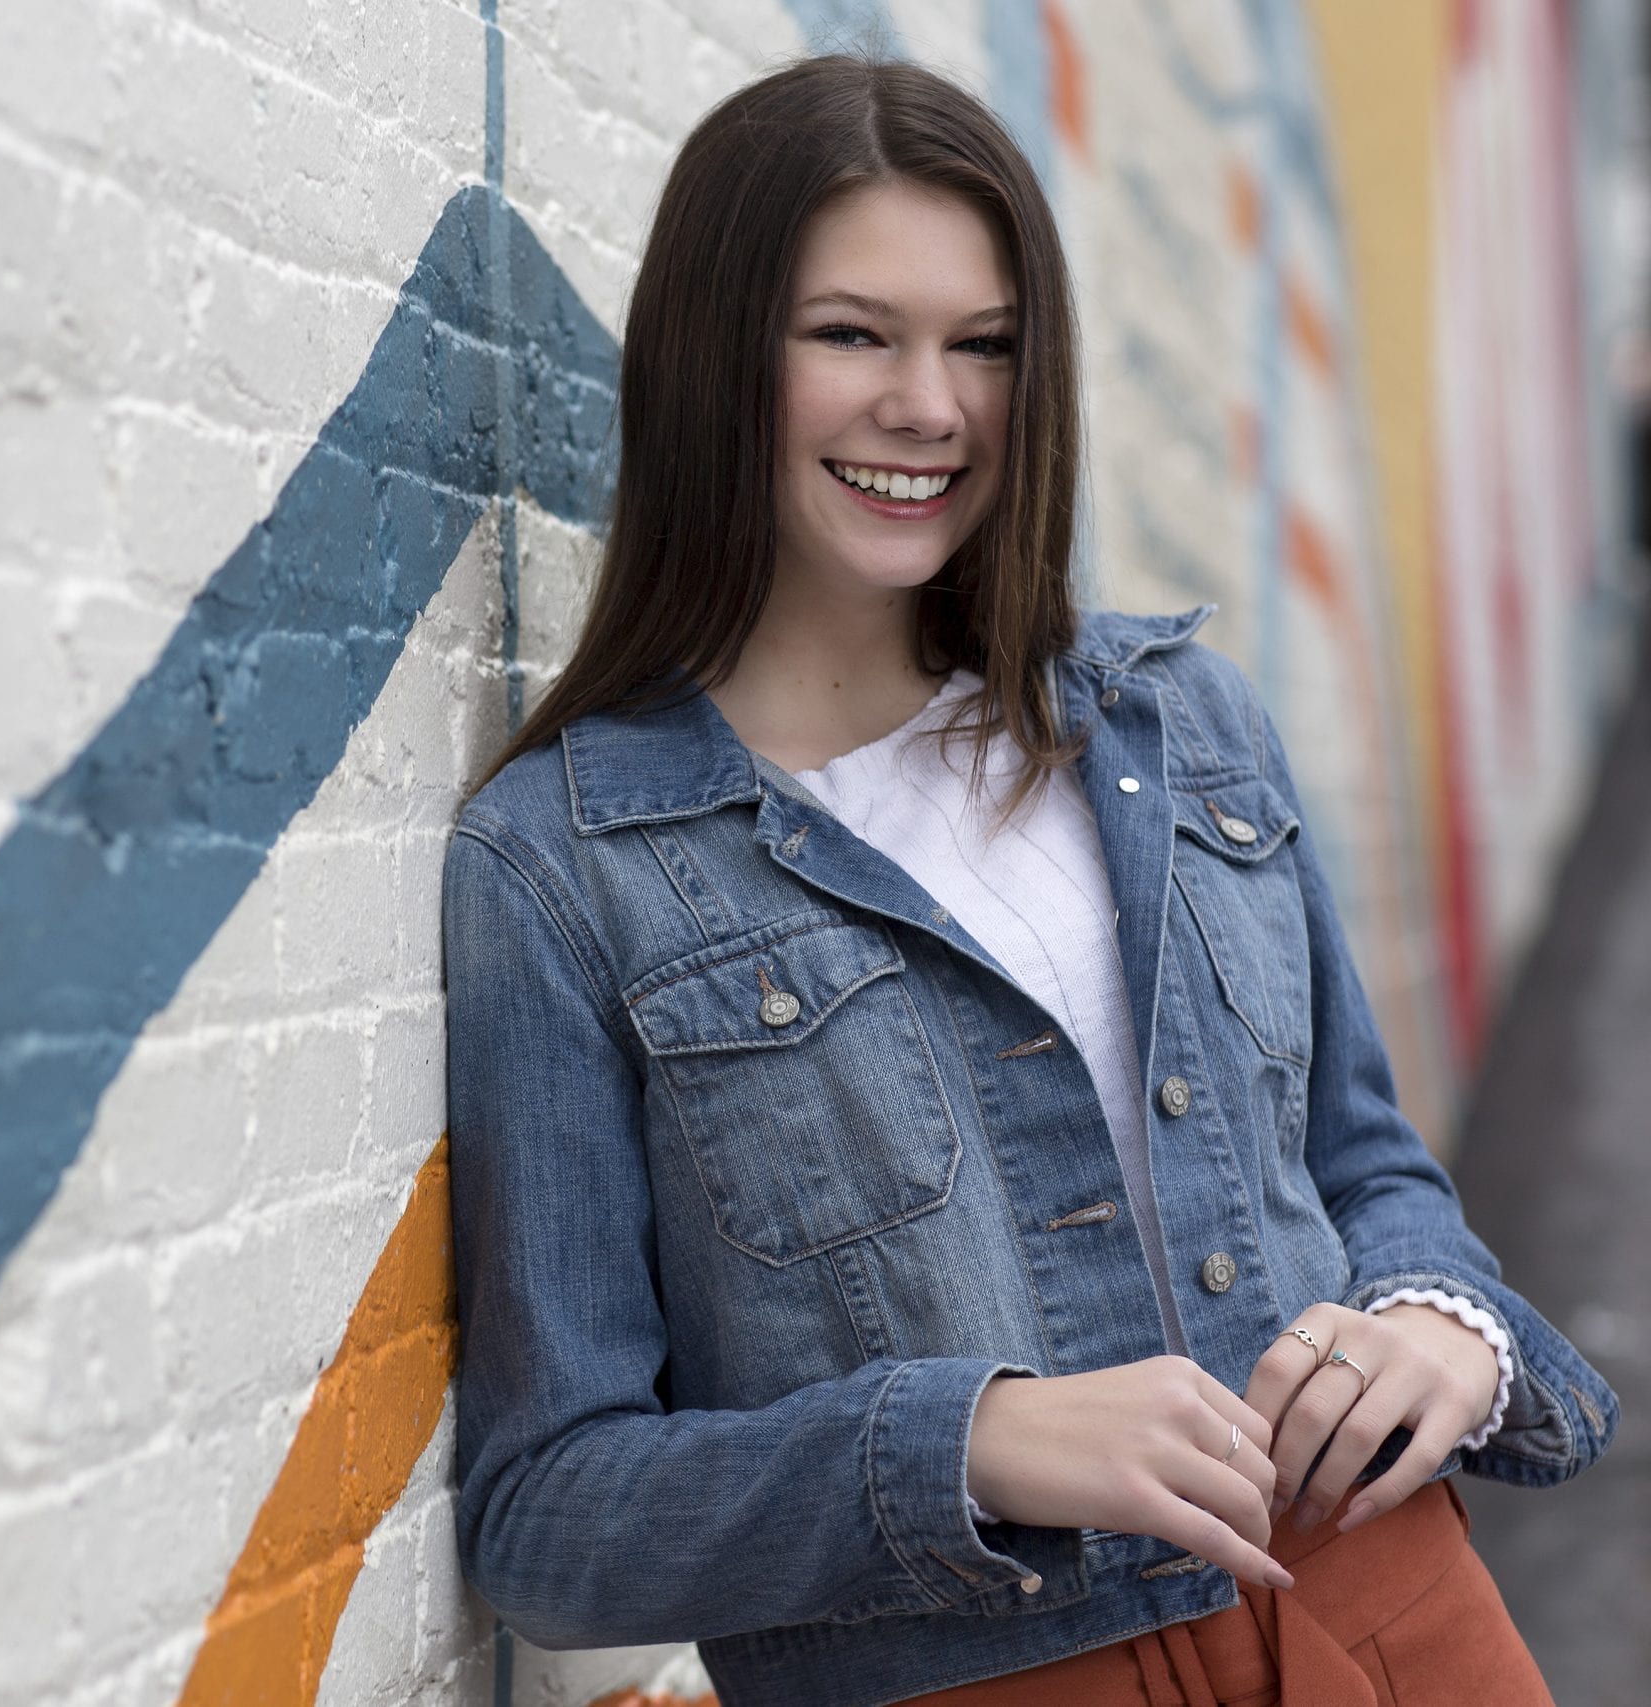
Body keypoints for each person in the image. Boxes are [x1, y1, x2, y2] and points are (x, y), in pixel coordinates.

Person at [438, 54, 1617, 1707]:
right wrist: (970, 1443)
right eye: (853, 334)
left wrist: (1440, 1331)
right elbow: (549, 1521)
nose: (932, 405)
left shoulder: (1178, 725)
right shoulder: (567, 865)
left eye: (985, 346)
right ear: (719, 360)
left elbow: (1363, 1163)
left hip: (1393, 1612)